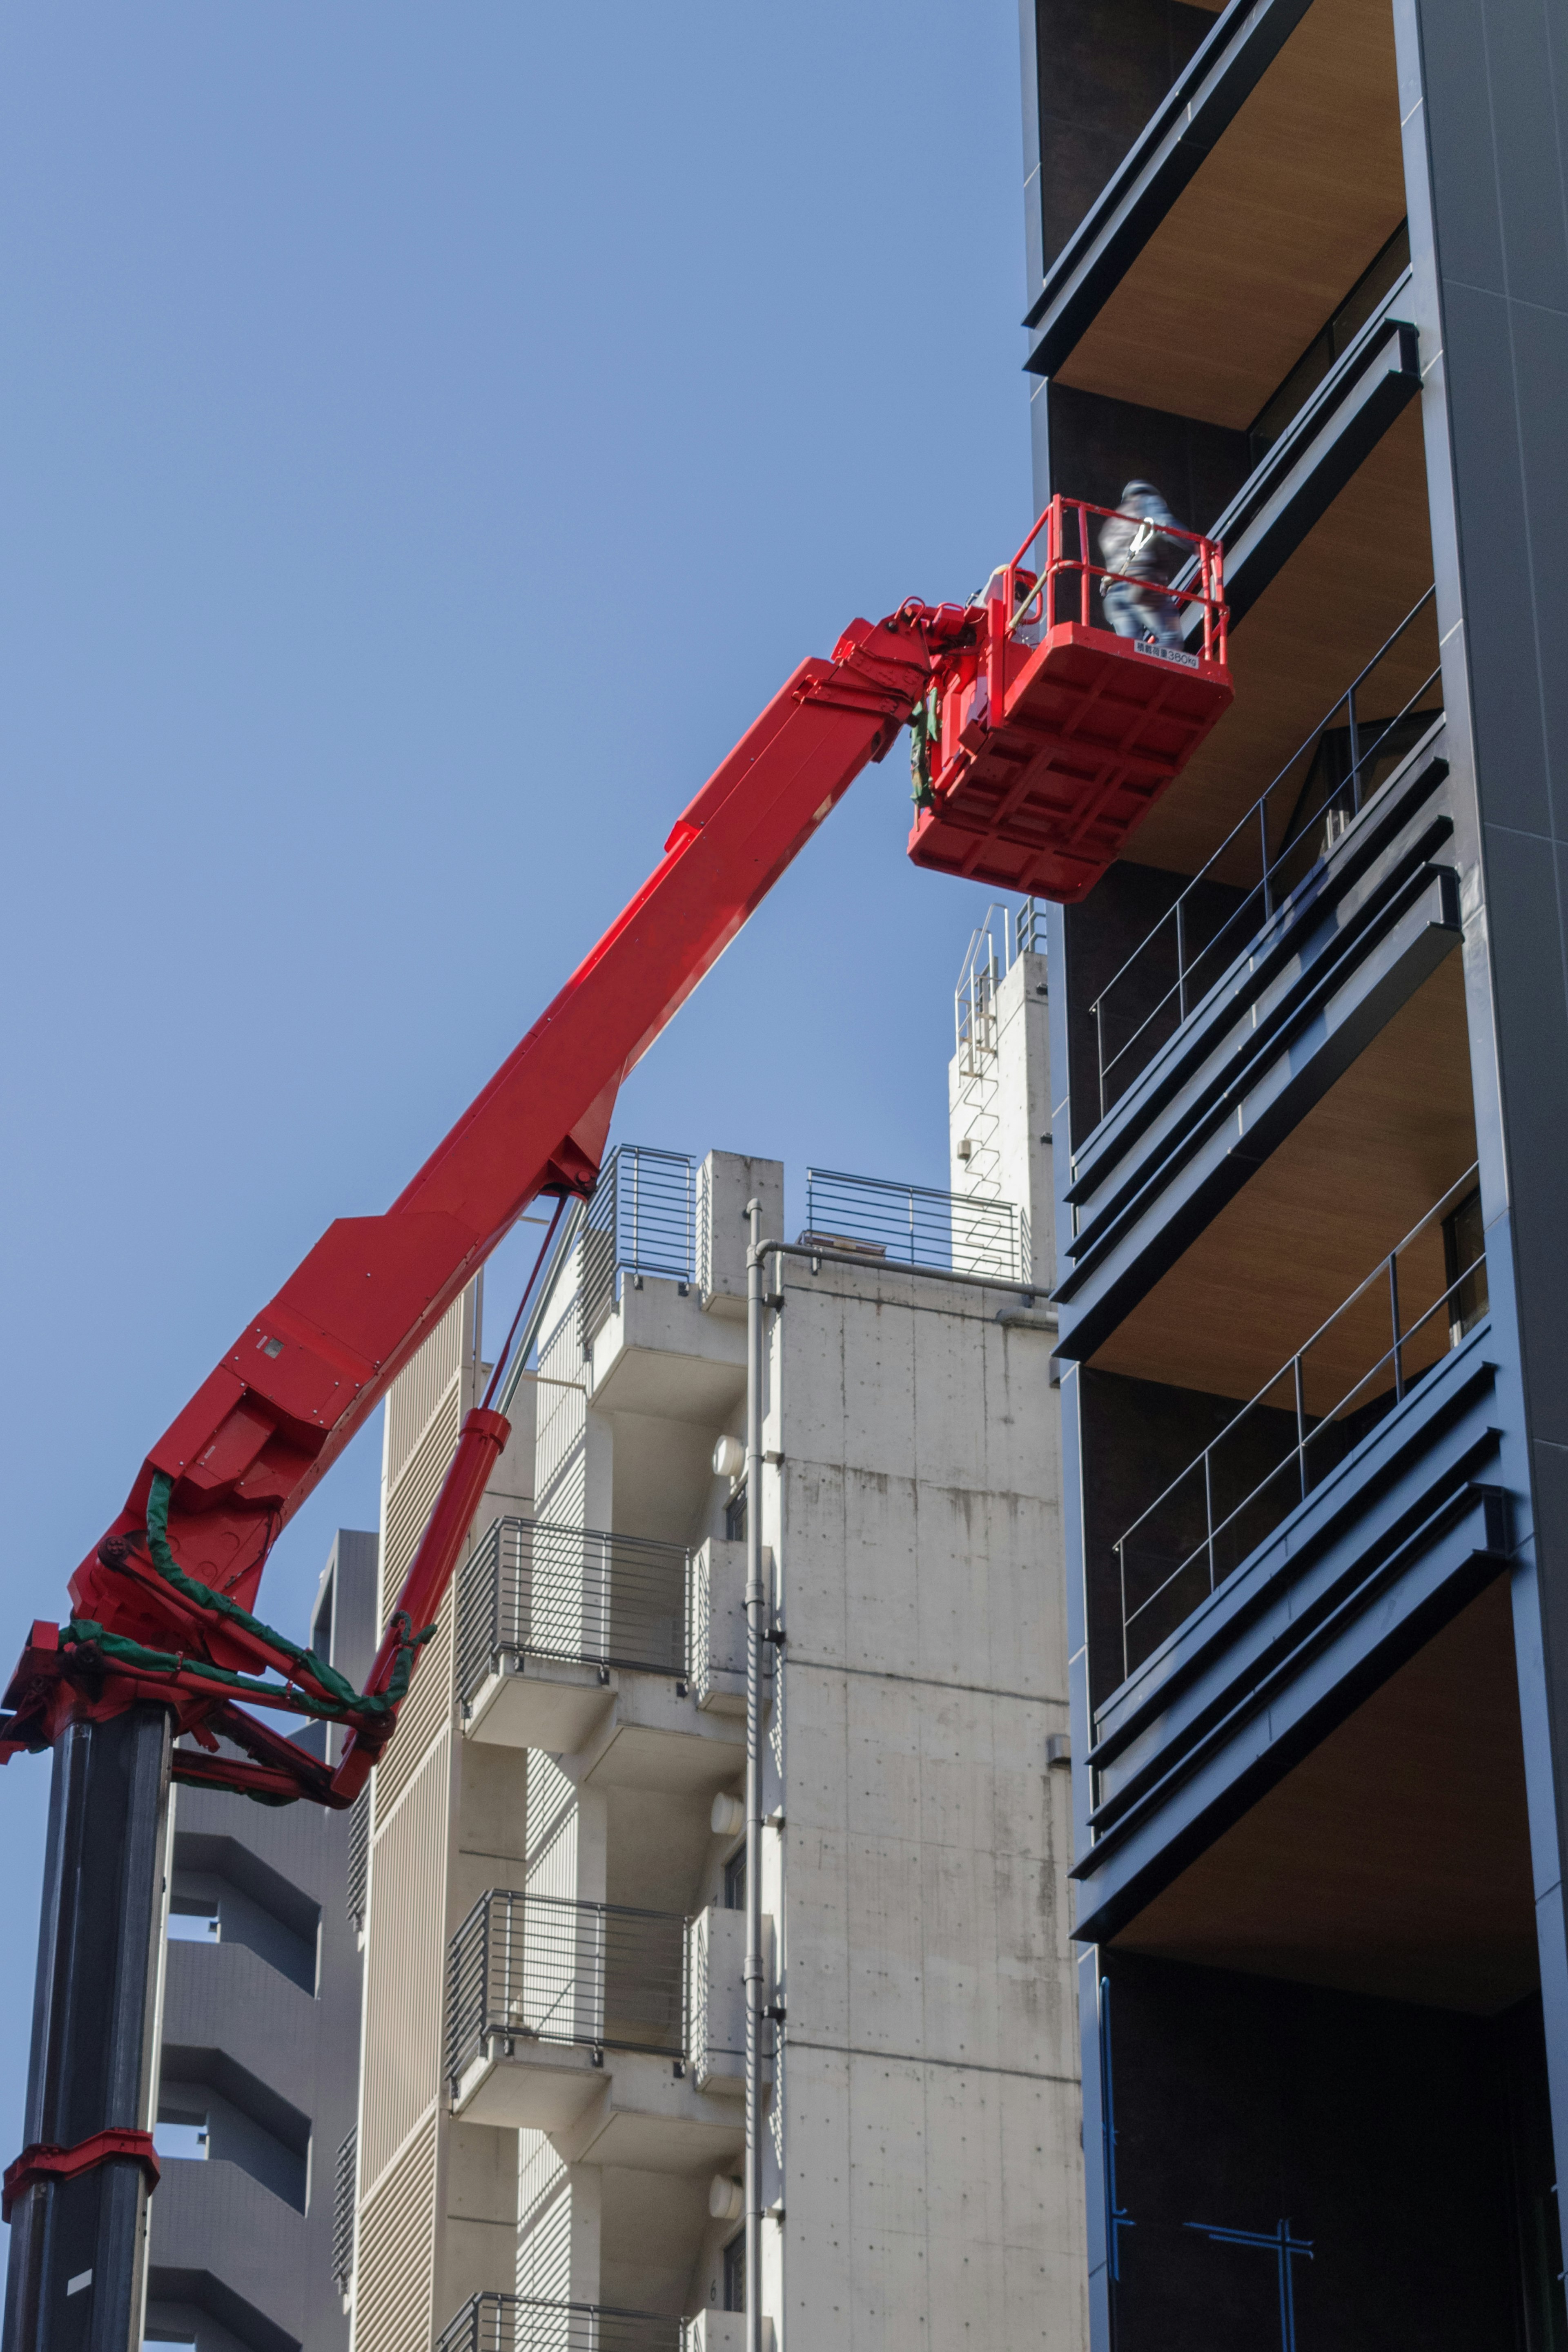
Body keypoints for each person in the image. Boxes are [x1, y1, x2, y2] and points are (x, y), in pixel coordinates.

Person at [1098, 479, 1187, 651]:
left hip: (1114, 595)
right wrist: (1201, 547)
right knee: (1171, 639)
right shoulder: (1146, 502)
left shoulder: (1112, 524)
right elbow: (1167, 524)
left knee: (1130, 651)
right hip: (1141, 586)